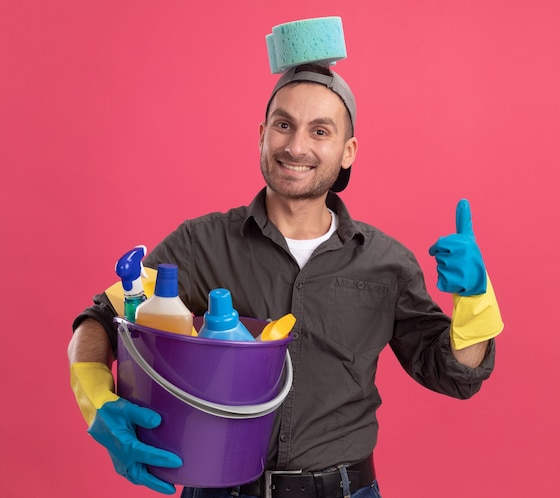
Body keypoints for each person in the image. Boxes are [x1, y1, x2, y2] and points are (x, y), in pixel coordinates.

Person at [68, 63, 504, 498]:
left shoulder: (386, 263)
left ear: (348, 151)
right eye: (283, 125)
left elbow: (455, 375)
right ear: (261, 134)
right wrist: (96, 401)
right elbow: (104, 317)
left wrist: (475, 297)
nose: (296, 147)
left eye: (320, 131)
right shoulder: (199, 244)